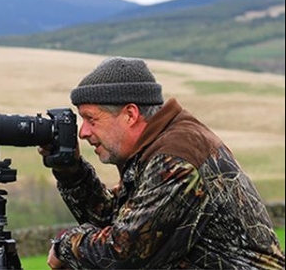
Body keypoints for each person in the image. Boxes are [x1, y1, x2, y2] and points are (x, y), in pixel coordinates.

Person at [40, 56, 285, 269]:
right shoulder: (155, 149)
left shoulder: (176, 158)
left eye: (91, 119)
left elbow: (123, 253)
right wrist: (69, 169)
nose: (83, 132)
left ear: (130, 114)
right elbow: (112, 221)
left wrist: (65, 245)